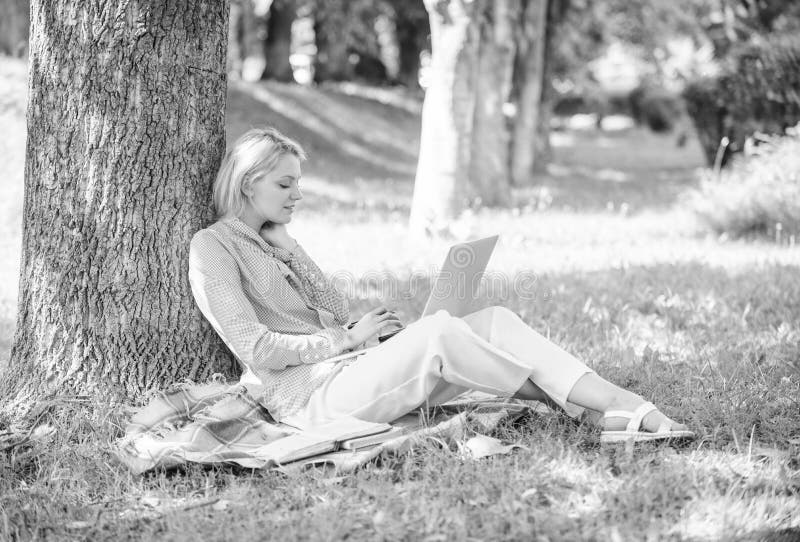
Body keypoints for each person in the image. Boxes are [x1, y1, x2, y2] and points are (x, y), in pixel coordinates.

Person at [188, 127, 694, 443]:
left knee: (491, 320)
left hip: (352, 372)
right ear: (248, 183)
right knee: (441, 334)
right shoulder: (213, 247)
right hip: (309, 401)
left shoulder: (279, 242)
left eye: (299, 182)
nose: (299, 194)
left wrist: (370, 332)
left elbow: (333, 307)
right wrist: (343, 340)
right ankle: (601, 408)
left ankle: (613, 400)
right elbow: (254, 347)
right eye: (285, 184)